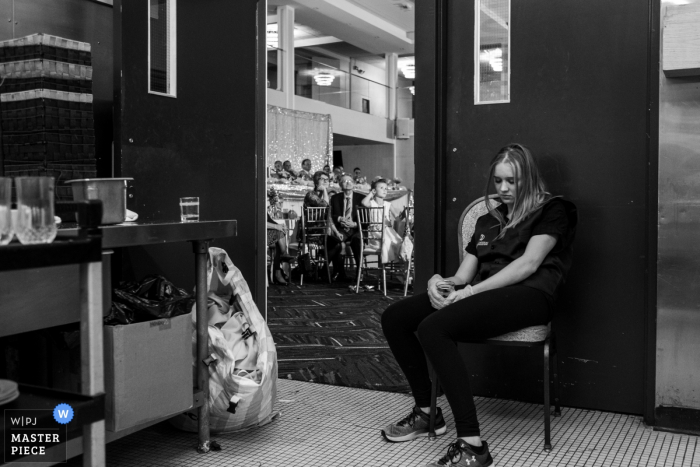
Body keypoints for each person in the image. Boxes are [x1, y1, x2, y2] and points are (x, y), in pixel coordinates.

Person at [380, 144, 577, 467]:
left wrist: (470, 293)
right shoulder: (488, 219)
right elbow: (462, 276)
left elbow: (528, 265)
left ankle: (473, 444)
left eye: (512, 181)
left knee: (434, 327)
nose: (503, 189)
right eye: (498, 181)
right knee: (395, 317)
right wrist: (440, 283)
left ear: (528, 177)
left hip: (530, 296)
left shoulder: (553, 209)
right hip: (483, 294)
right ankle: (427, 412)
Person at [327, 174, 364, 282]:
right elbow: (330, 215)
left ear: (354, 184)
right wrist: (339, 218)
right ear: (340, 185)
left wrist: (355, 224)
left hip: (356, 229)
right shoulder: (335, 198)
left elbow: (366, 218)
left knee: (357, 240)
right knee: (336, 243)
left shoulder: (361, 198)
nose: (348, 183)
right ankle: (339, 272)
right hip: (342, 229)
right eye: (344, 181)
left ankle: (359, 272)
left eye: (350, 181)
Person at [361, 178, 402, 263]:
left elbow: (397, 217)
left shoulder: (388, 204)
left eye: (386, 188)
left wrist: (402, 216)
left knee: (398, 241)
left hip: (387, 229)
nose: (384, 190)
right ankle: (385, 262)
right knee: (386, 240)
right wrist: (371, 193)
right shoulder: (372, 203)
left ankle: (395, 262)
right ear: (374, 190)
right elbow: (364, 203)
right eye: (381, 188)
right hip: (376, 231)